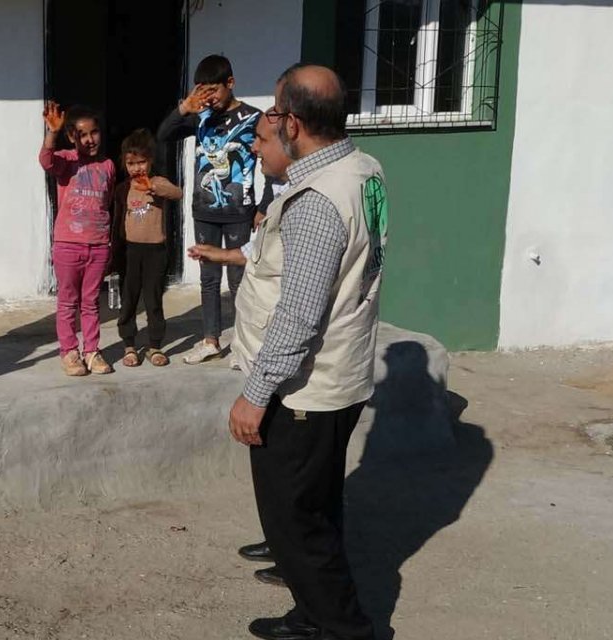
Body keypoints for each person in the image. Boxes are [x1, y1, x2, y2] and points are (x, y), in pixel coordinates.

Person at [190, 64, 388, 640]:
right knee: (315, 505)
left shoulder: (317, 200)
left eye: (274, 112)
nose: (267, 123)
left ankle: (341, 628)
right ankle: (310, 611)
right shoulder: (363, 168)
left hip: (305, 388)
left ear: (294, 124)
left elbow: (300, 315)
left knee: (297, 519)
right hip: (342, 371)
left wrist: (255, 396)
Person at [157, 54, 261, 365]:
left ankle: (244, 344)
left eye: (213, 90)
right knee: (209, 279)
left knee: (239, 280)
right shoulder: (200, 118)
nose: (209, 98)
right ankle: (210, 340)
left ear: (231, 83)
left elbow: (272, 159)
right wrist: (184, 109)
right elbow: (163, 135)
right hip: (204, 211)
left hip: (240, 211)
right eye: (203, 91)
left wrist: (265, 205)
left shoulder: (253, 118)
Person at [40, 101, 117, 376]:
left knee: (91, 302)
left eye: (94, 132)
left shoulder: (108, 165)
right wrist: (52, 133)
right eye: (82, 135)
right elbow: (46, 161)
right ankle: (69, 351)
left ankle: (92, 351)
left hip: (98, 245)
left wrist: (107, 242)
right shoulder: (66, 160)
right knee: (67, 302)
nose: (89, 139)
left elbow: (107, 202)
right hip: (68, 245)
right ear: (72, 137)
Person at [111, 129, 182, 368]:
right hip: (130, 251)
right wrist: (114, 254)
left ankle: (155, 346)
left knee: (153, 299)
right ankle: (129, 345)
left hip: (155, 252)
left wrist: (154, 187)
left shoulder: (158, 182)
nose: (137, 168)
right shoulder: (123, 189)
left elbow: (177, 193)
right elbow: (117, 220)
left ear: (151, 161)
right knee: (129, 299)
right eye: (131, 163)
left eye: (141, 162)